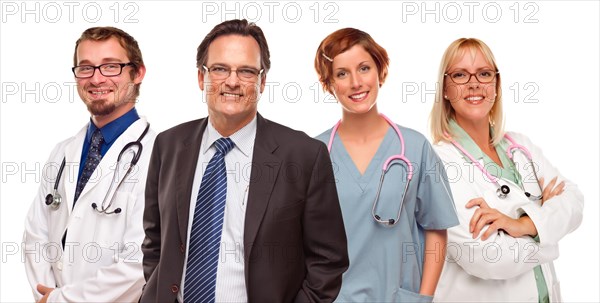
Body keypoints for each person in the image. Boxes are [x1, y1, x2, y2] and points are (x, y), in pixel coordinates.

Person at [140, 19, 348, 303]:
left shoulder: (304, 156)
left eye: (247, 71)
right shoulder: (168, 145)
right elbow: (155, 243)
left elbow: (328, 261)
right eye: (220, 69)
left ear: (262, 81)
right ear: (202, 78)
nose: (233, 81)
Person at [430, 38, 584, 302]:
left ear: (496, 85)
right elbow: (489, 258)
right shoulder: (438, 163)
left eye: (484, 73)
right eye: (460, 75)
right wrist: (548, 232)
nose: (474, 83)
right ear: (445, 88)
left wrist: (522, 225)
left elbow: (574, 201)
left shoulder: (520, 146)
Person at [313, 28, 459, 302]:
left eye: (364, 68)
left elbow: (437, 230)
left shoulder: (415, 148)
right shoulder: (314, 153)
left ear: (381, 71)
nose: (356, 82)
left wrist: (422, 298)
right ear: (329, 84)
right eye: (342, 73)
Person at [23, 26, 156, 302]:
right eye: (85, 68)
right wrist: (46, 296)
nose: (96, 78)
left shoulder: (160, 156)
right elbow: (35, 236)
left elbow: (140, 259)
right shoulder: (62, 152)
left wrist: (64, 300)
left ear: (138, 73)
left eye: (110, 67)